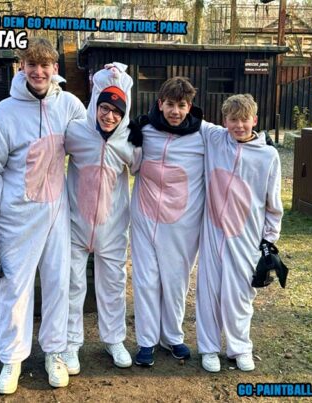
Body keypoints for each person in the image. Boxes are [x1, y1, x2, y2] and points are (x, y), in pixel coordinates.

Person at [0, 38, 86, 394]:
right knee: (13, 286)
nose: (38, 72)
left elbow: (91, 141)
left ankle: (54, 351)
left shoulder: (68, 105)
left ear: (55, 69)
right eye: (31, 65)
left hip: (56, 211)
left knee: (58, 283)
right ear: (21, 67)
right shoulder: (4, 113)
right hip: (16, 214)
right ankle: (12, 357)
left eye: (44, 65)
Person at [196, 94, 283, 373]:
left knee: (240, 296)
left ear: (254, 120)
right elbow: (187, 116)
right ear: (225, 121)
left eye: (244, 120)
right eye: (233, 120)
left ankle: (240, 348)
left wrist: (269, 241)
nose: (239, 125)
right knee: (209, 293)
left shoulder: (268, 156)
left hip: (246, 237)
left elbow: (273, 204)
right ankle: (209, 348)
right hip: (212, 233)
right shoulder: (215, 139)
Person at [63, 62, 142, 373]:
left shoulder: (129, 140)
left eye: (117, 111)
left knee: (113, 284)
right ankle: (71, 343)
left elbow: (143, 169)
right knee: (72, 285)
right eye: (105, 108)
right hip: (75, 224)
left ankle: (114, 339)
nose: (109, 116)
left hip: (112, 225)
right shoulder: (75, 132)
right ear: (95, 104)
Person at [130, 76, 205, 367]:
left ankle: (172, 336)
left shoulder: (204, 134)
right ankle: (146, 340)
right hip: (145, 217)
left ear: (190, 106)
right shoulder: (144, 130)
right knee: (146, 280)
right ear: (160, 103)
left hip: (181, 224)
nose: (175, 111)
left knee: (175, 281)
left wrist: (258, 140)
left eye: (182, 105)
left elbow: (236, 137)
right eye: (170, 104)